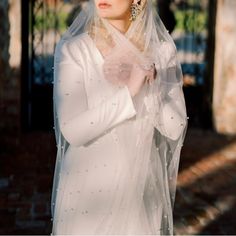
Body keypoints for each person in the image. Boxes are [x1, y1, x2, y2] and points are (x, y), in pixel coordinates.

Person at [50, 0, 188, 235]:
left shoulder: (161, 51)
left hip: (141, 187)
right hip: (88, 189)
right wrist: (129, 94)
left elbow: (176, 128)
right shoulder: (75, 49)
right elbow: (72, 129)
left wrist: (149, 89)